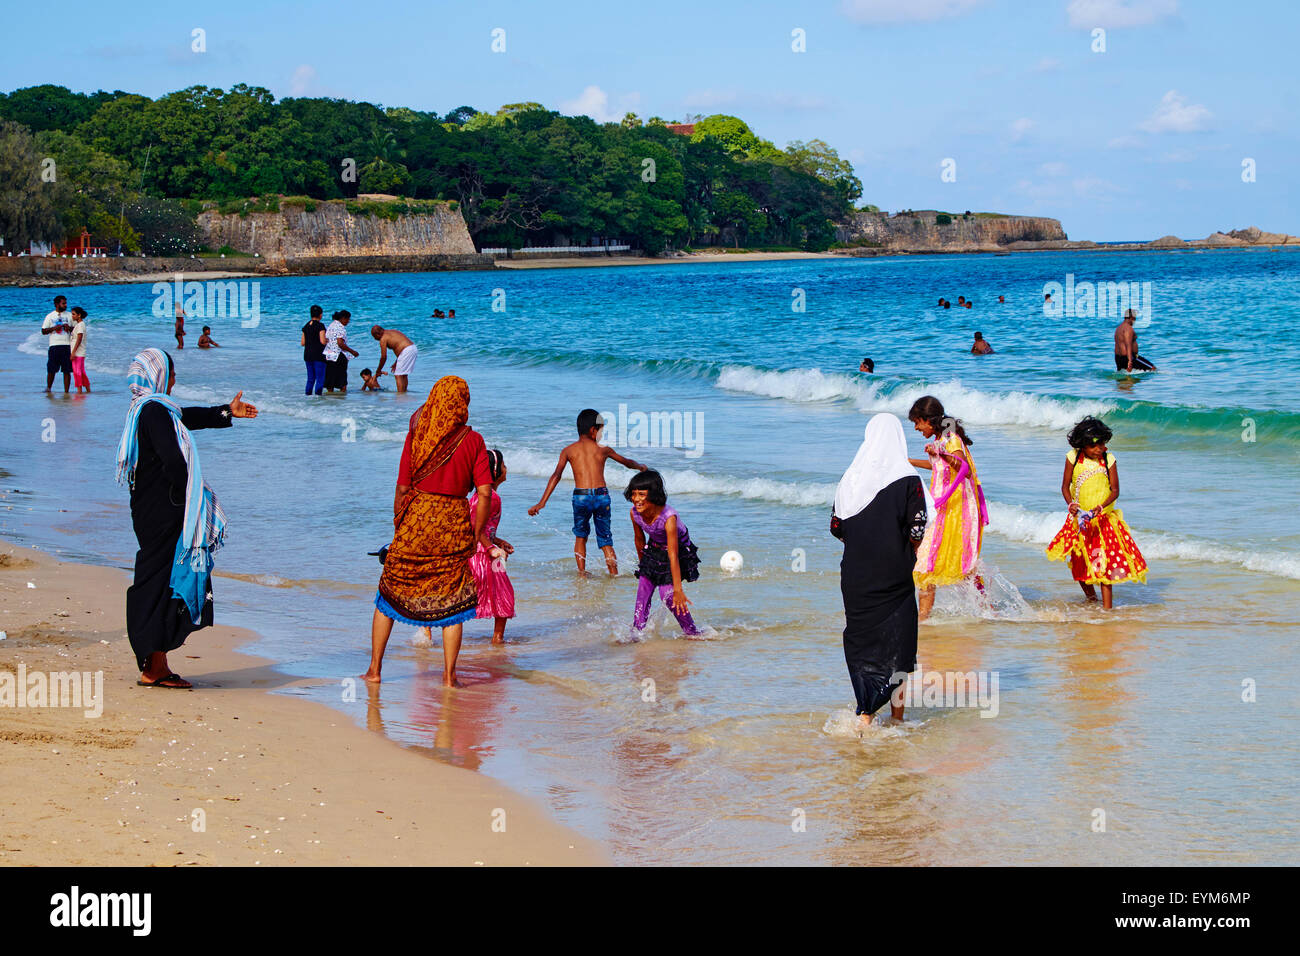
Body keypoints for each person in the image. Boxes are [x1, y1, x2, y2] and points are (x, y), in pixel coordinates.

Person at [114, 348, 258, 688]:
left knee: (160, 578)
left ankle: (156, 663)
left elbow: (183, 418)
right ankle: (153, 666)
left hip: (150, 509)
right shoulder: (152, 411)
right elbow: (172, 461)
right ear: (158, 374)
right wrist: (191, 497)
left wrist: (226, 412)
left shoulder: (149, 409)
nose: (175, 379)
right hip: (165, 511)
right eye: (172, 371)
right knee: (161, 580)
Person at [364, 376, 493, 686]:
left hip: (416, 518)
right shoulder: (473, 441)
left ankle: (375, 670)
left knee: (391, 588)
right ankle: (449, 677)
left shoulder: (417, 431)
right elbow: (485, 493)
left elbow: (403, 485)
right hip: (453, 523)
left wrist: (400, 521)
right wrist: (477, 532)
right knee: (453, 597)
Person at [831, 414, 927, 728]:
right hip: (894, 573)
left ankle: (866, 710)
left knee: (862, 641)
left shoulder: (850, 477)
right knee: (897, 645)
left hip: (856, 575)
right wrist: (905, 547)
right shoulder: (908, 477)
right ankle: (897, 719)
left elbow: (836, 527)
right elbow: (917, 528)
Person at [528, 409, 648, 576]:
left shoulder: (568, 450)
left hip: (581, 496)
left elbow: (556, 475)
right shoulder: (603, 449)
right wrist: (640, 467)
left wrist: (542, 502)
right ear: (593, 430)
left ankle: (582, 572)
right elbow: (627, 463)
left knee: (581, 537)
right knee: (606, 540)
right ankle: (614, 573)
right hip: (601, 496)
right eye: (601, 430)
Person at [1046, 416, 1147, 609]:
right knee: (1080, 561)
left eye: (1102, 443)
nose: (1099, 448)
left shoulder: (1109, 460)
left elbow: (1115, 490)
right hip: (1080, 521)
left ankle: (1107, 611)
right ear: (1082, 444)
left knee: (1104, 564)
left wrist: (1101, 507)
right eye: (1094, 445)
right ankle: (1091, 599)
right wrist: (1071, 505)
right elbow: (1065, 487)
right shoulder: (1073, 458)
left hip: (1104, 522)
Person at [907, 396, 988, 621]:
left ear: (927, 419)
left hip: (956, 509)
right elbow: (938, 466)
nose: (915, 427)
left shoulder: (950, 437)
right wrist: (909, 461)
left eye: (917, 422)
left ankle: (924, 619)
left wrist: (940, 453)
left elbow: (963, 467)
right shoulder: (940, 437)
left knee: (939, 562)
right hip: (941, 508)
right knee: (932, 561)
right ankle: (984, 610)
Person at [625, 470, 701, 638]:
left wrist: (679, 590)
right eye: (634, 494)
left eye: (642, 494)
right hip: (653, 549)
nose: (636, 499)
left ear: (654, 495)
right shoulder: (634, 513)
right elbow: (639, 539)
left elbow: (673, 555)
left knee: (669, 596)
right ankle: (636, 634)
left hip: (677, 552)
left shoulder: (668, 517)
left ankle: (692, 633)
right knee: (643, 593)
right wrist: (644, 566)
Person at [468, 449, 515, 645]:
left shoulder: (485, 495)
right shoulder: (490, 497)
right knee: (504, 594)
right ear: (496, 471)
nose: (506, 469)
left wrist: (499, 541)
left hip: (479, 550)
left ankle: (427, 629)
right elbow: (474, 528)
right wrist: (491, 549)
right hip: (481, 555)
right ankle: (497, 639)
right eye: (503, 466)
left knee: (466, 596)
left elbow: (484, 528)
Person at [370, 325, 417, 394]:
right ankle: (404, 394)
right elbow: (399, 345)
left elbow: (383, 357)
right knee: (403, 375)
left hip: (406, 351)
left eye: (374, 337)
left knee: (398, 375)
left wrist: (378, 370)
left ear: (378, 334)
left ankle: (400, 396)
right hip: (412, 348)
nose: (375, 339)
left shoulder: (383, 339)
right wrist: (397, 362)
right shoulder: (392, 331)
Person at [42, 295, 74, 393]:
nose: (65, 305)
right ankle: (48, 388)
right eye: (63, 303)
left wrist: (69, 328)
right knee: (51, 369)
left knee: (67, 370)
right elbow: (43, 331)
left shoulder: (69, 315)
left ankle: (66, 392)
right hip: (54, 345)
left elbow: (76, 329)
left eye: (66, 303)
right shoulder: (50, 316)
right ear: (57, 304)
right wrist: (55, 328)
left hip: (67, 345)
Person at [323, 310, 358, 393]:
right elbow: (340, 343)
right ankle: (342, 401)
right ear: (343, 318)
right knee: (342, 382)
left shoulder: (331, 325)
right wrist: (352, 351)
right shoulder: (340, 328)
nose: (348, 322)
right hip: (338, 356)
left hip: (328, 355)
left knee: (330, 381)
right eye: (348, 319)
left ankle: (330, 400)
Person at [301, 305, 326, 395]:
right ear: (320, 315)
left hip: (307, 355)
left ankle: (308, 396)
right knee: (320, 378)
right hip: (318, 355)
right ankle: (318, 398)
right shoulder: (320, 326)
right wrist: (328, 340)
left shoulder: (306, 326)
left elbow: (303, 343)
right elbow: (323, 341)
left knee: (310, 379)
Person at [69, 307, 90, 393]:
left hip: (78, 352)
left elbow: (79, 338)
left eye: (73, 314)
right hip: (79, 352)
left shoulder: (80, 325)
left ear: (79, 315)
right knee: (81, 372)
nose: (72, 316)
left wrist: (73, 352)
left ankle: (79, 391)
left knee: (77, 372)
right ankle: (87, 390)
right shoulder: (78, 325)